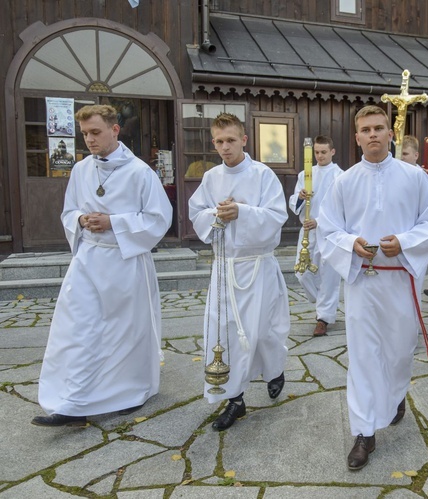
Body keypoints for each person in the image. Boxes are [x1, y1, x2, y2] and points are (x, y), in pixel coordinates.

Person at [317, 105, 428, 471]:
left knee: (399, 351)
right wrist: (350, 242)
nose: (372, 134)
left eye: (379, 128)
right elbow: (328, 229)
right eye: (365, 130)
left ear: (390, 134)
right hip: (362, 280)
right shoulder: (344, 181)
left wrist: (404, 241)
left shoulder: (416, 177)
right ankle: (364, 431)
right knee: (363, 354)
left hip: (401, 278)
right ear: (356, 138)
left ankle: (396, 393)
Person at [32, 104, 172, 427]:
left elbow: (159, 218)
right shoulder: (81, 170)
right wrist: (81, 219)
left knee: (125, 333)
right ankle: (73, 400)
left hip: (125, 263)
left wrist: (114, 222)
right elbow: (69, 212)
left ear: (114, 130)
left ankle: (129, 393)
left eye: (95, 132)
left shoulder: (140, 172)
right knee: (78, 328)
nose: (89, 140)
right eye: (84, 134)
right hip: (88, 260)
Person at [188, 113, 290, 431]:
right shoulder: (211, 177)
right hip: (224, 267)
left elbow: (277, 216)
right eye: (218, 141)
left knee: (261, 332)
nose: (224, 147)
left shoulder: (263, 174)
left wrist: (242, 212)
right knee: (227, 334)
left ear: (244, 140)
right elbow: (196, 213)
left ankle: (274, 370)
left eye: (230, 140)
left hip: (256, 265)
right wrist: (217, 214)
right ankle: (235, 400)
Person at [289, 135, 343, 336]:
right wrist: (300, 197)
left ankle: (324, 318)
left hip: (328, 232)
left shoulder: (339, 176)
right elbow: (294, 200)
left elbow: (340, 207)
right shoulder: (305, 174)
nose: (319, 156)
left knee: (328, 275)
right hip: (308, 231)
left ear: (332, 152)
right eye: (316, 152)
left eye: (323, 152)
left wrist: (319, 221)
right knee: (301, 272)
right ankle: (324, 302)